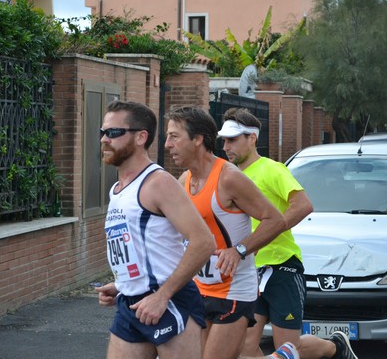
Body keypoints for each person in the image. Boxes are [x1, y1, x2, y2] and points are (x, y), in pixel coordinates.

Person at [218, 108, 358, 359]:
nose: (226, 146)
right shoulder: (228, 176)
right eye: (224, 140)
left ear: (252, 138)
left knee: (289, 349)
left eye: (233, 140)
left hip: (282, 267)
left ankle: (335, 347)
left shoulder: (272, 170)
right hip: (249, 271)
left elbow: (303, 205)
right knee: (245, 345)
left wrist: (268, 232)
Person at [164, 105, 296, 359]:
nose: (167, 144)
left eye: (174, 136)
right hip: (199, 288)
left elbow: (274, 220)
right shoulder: (184, 180)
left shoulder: (228, 178)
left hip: (233, 290)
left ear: (198, 139)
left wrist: (239, 250)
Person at [94, 100, 216, 359]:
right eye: (102, 132)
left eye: (114, 133)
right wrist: (122, 284)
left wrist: (162, 296)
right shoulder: (117, 188)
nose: (105, 139)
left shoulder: (158, 182)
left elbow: (203, 242)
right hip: (131, 302)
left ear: (141, 137)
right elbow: (144, 247)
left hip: (169, 301)